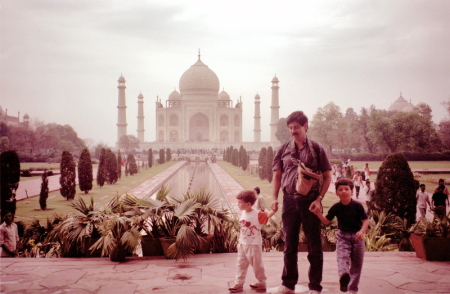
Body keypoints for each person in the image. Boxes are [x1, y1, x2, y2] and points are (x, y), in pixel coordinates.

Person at [270, 111, 332, 294]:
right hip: (289, 200)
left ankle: (315, 286)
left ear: (306, 126)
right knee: (289, 244)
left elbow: (327, 176)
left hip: (310, 201)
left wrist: (319, 199)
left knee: (314, 245)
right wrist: (274, 198)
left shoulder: (316, 149)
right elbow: (277, 175)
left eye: (296, 127)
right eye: (290, 128)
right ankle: (288, 284)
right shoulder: (283, 149)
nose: (293, 131)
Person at [311, 178, 368, 294]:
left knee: (357, 265)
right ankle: (344, 277)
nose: (343, 191)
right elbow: (326, 221)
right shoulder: (336, 207)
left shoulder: (357, 206)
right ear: (336, 192)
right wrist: (318, 214)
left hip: (358, 238)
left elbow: (365, 221)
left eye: (346, 189)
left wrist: (362, 232)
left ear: (352, 191)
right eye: (340, 189)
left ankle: (352, 289)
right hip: (343, 237)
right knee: (342, 258)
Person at [229, 190, 276, 293]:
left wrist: (274, 210)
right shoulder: (243, 212)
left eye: (240, 202)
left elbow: (267, 215)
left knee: (257, 265)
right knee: (240, 264)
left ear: (248, 204)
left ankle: (261, 282)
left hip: (253, 245)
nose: (238, 204)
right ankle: (238, 284)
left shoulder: (257, 214)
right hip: (243, 244)